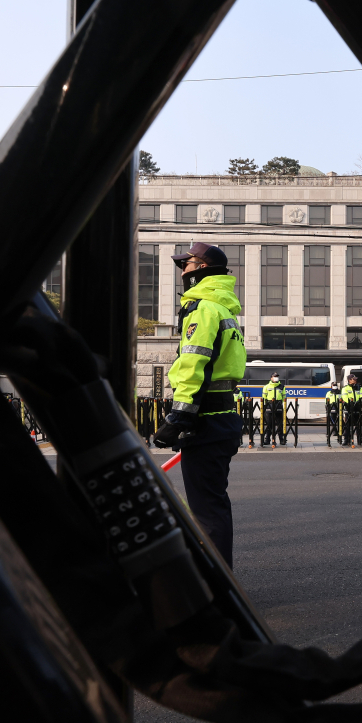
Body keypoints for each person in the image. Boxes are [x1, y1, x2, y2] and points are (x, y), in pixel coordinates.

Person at [152, 242, 245, 568]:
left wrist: (178, 417)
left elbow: (194, 364)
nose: (183, 270)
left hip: (205, 419)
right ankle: (222, 578)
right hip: (221, 417)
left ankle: (219, 585)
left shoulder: (203, 309)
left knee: (206, 509)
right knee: (213, 503)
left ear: (203, 269)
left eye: (188, 264)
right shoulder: (224, 309)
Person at [262, 372, 286, 445]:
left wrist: (281, 404)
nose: (276, 378)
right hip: (269, 405)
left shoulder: (282, 386)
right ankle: (267, 440)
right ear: (271, 378)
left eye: (277, 376)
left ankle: (281, 439)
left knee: (280, 424)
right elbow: (264, 397)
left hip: (278, 405)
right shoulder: (266, 387)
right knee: (269, 424)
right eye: (275, 376)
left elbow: (284, 397)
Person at [341, 373, 362, 445]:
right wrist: (350, 404)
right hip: (349, 408)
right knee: (348, 425)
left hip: (357, 408)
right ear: (349, 380)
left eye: (355, 379)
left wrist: (359, 403)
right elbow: (345, 398)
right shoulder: (345, 388)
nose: (355, 381)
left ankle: (359, 440)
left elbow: (361, 396)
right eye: (354, 379)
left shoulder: (359, 387)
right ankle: (346, 440)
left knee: (359, 425)